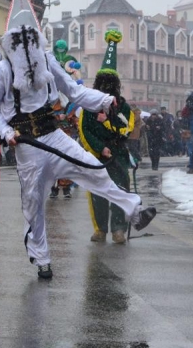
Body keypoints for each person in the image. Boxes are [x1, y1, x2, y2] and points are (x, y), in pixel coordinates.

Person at [0, 25, 157, 280]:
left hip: (53, 135)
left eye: (33, 46)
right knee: (33, 204)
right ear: (13, 48)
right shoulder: (2, 70)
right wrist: (7, 133)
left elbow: (74, 91)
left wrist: (104, 100)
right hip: (28, 145)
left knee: (92, 167)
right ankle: (41, 259)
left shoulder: (46, 60)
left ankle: (134, 211)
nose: (31, 56)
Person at [77, 30, 135, 245]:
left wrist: (108, 123)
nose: (107, 87)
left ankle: (118, 229)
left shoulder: (123, 106)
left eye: (111, 83)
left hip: (118, 153)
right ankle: (100, 229)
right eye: (104, 82)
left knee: (120, 191)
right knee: (98, 193)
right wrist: (100, 148)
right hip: (98, 156)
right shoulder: (89, 106)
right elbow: (85, 131)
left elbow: (126, 129)